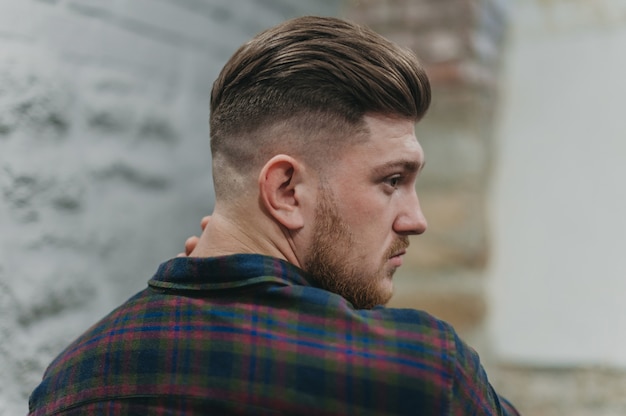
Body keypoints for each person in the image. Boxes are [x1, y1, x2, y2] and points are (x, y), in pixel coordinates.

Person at [28, 16, 519, 415]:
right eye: (392, 181)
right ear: (285, 190)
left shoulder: (70, 381)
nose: (416, 219)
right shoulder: (424, 374)